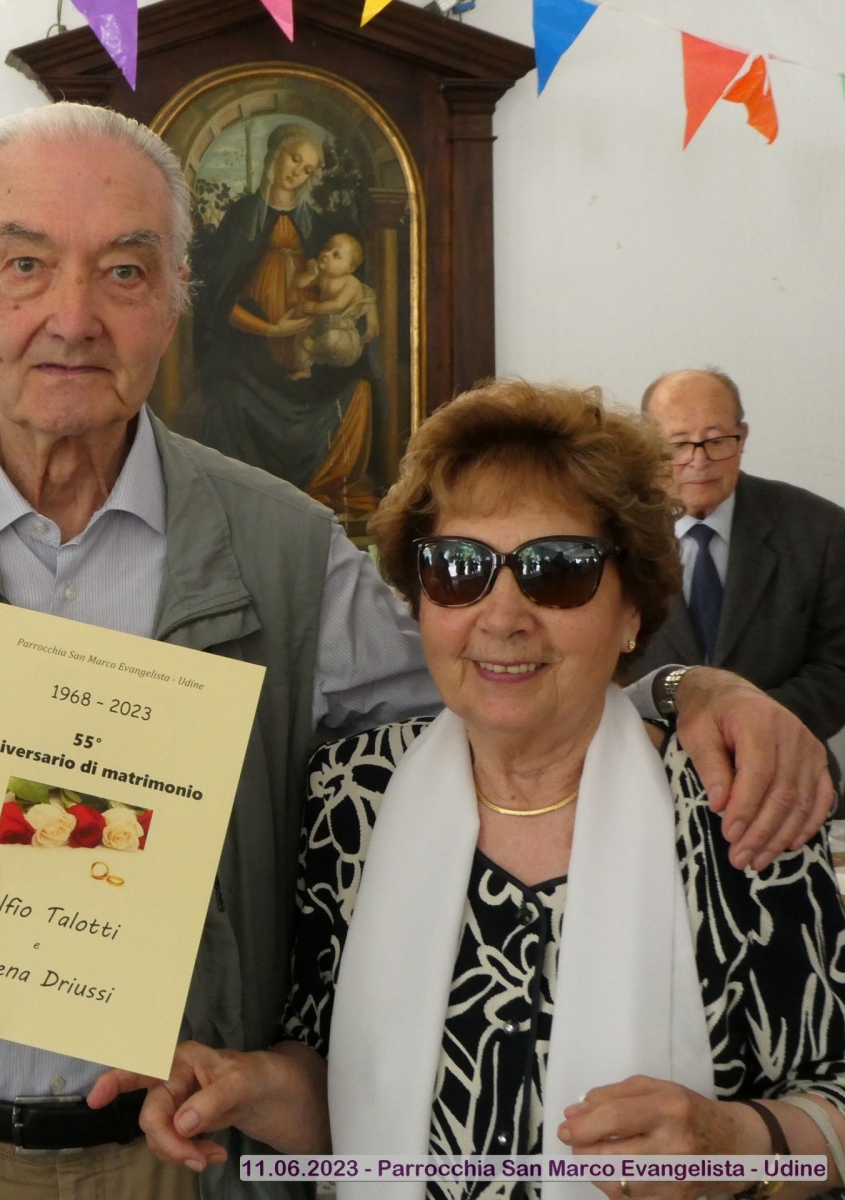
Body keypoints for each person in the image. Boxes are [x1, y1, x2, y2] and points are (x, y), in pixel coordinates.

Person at [0, 104, 830, 1200]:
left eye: (123, 271)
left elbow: (494, 679)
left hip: (191, 1160)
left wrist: (686, 687)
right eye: (25, 265)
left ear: (177, 297)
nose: (73, 317)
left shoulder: (289, 553)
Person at [96, 382, 845, 1200]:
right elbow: (345, 1099)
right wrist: (251, 1086)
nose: (503, 615)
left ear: (632, 608)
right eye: (459, 570)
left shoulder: (739, 801)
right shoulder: (353, 796)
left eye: (558, 571)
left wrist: (740, 1144)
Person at [629, 368, 845, 783]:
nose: (699, 461)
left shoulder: (821, 530)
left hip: (786, 769)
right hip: (645, 770)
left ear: (742, 438)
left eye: (716, 441)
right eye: (678, 445)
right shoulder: (616, 533)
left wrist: (748, 723)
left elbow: (837, 666)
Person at [191, 120, 375, 499]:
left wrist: (359, 312)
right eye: (294, 159)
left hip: (308, 349)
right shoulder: (242, 217)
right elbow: (219, 299)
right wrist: (271, 330)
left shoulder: (320, 228)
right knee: (228, 397)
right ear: (275, 155)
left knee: (358, 389)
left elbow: (351, 287)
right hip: (251, 351)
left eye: (307, 169)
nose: (298, 173)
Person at [288, 232, 378, 377]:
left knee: (331, 338)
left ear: (349, 268)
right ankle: (304, 369)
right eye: (327, 248)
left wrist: (315, 307)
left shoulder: (351, 283)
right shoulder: (323, 275)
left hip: (343, 333)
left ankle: (316, 347)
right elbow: (298, 283)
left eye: (336, 255)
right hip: (322, 324)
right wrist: (311, 274)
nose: (326, 254)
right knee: (301, 337)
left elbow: (338, 305)